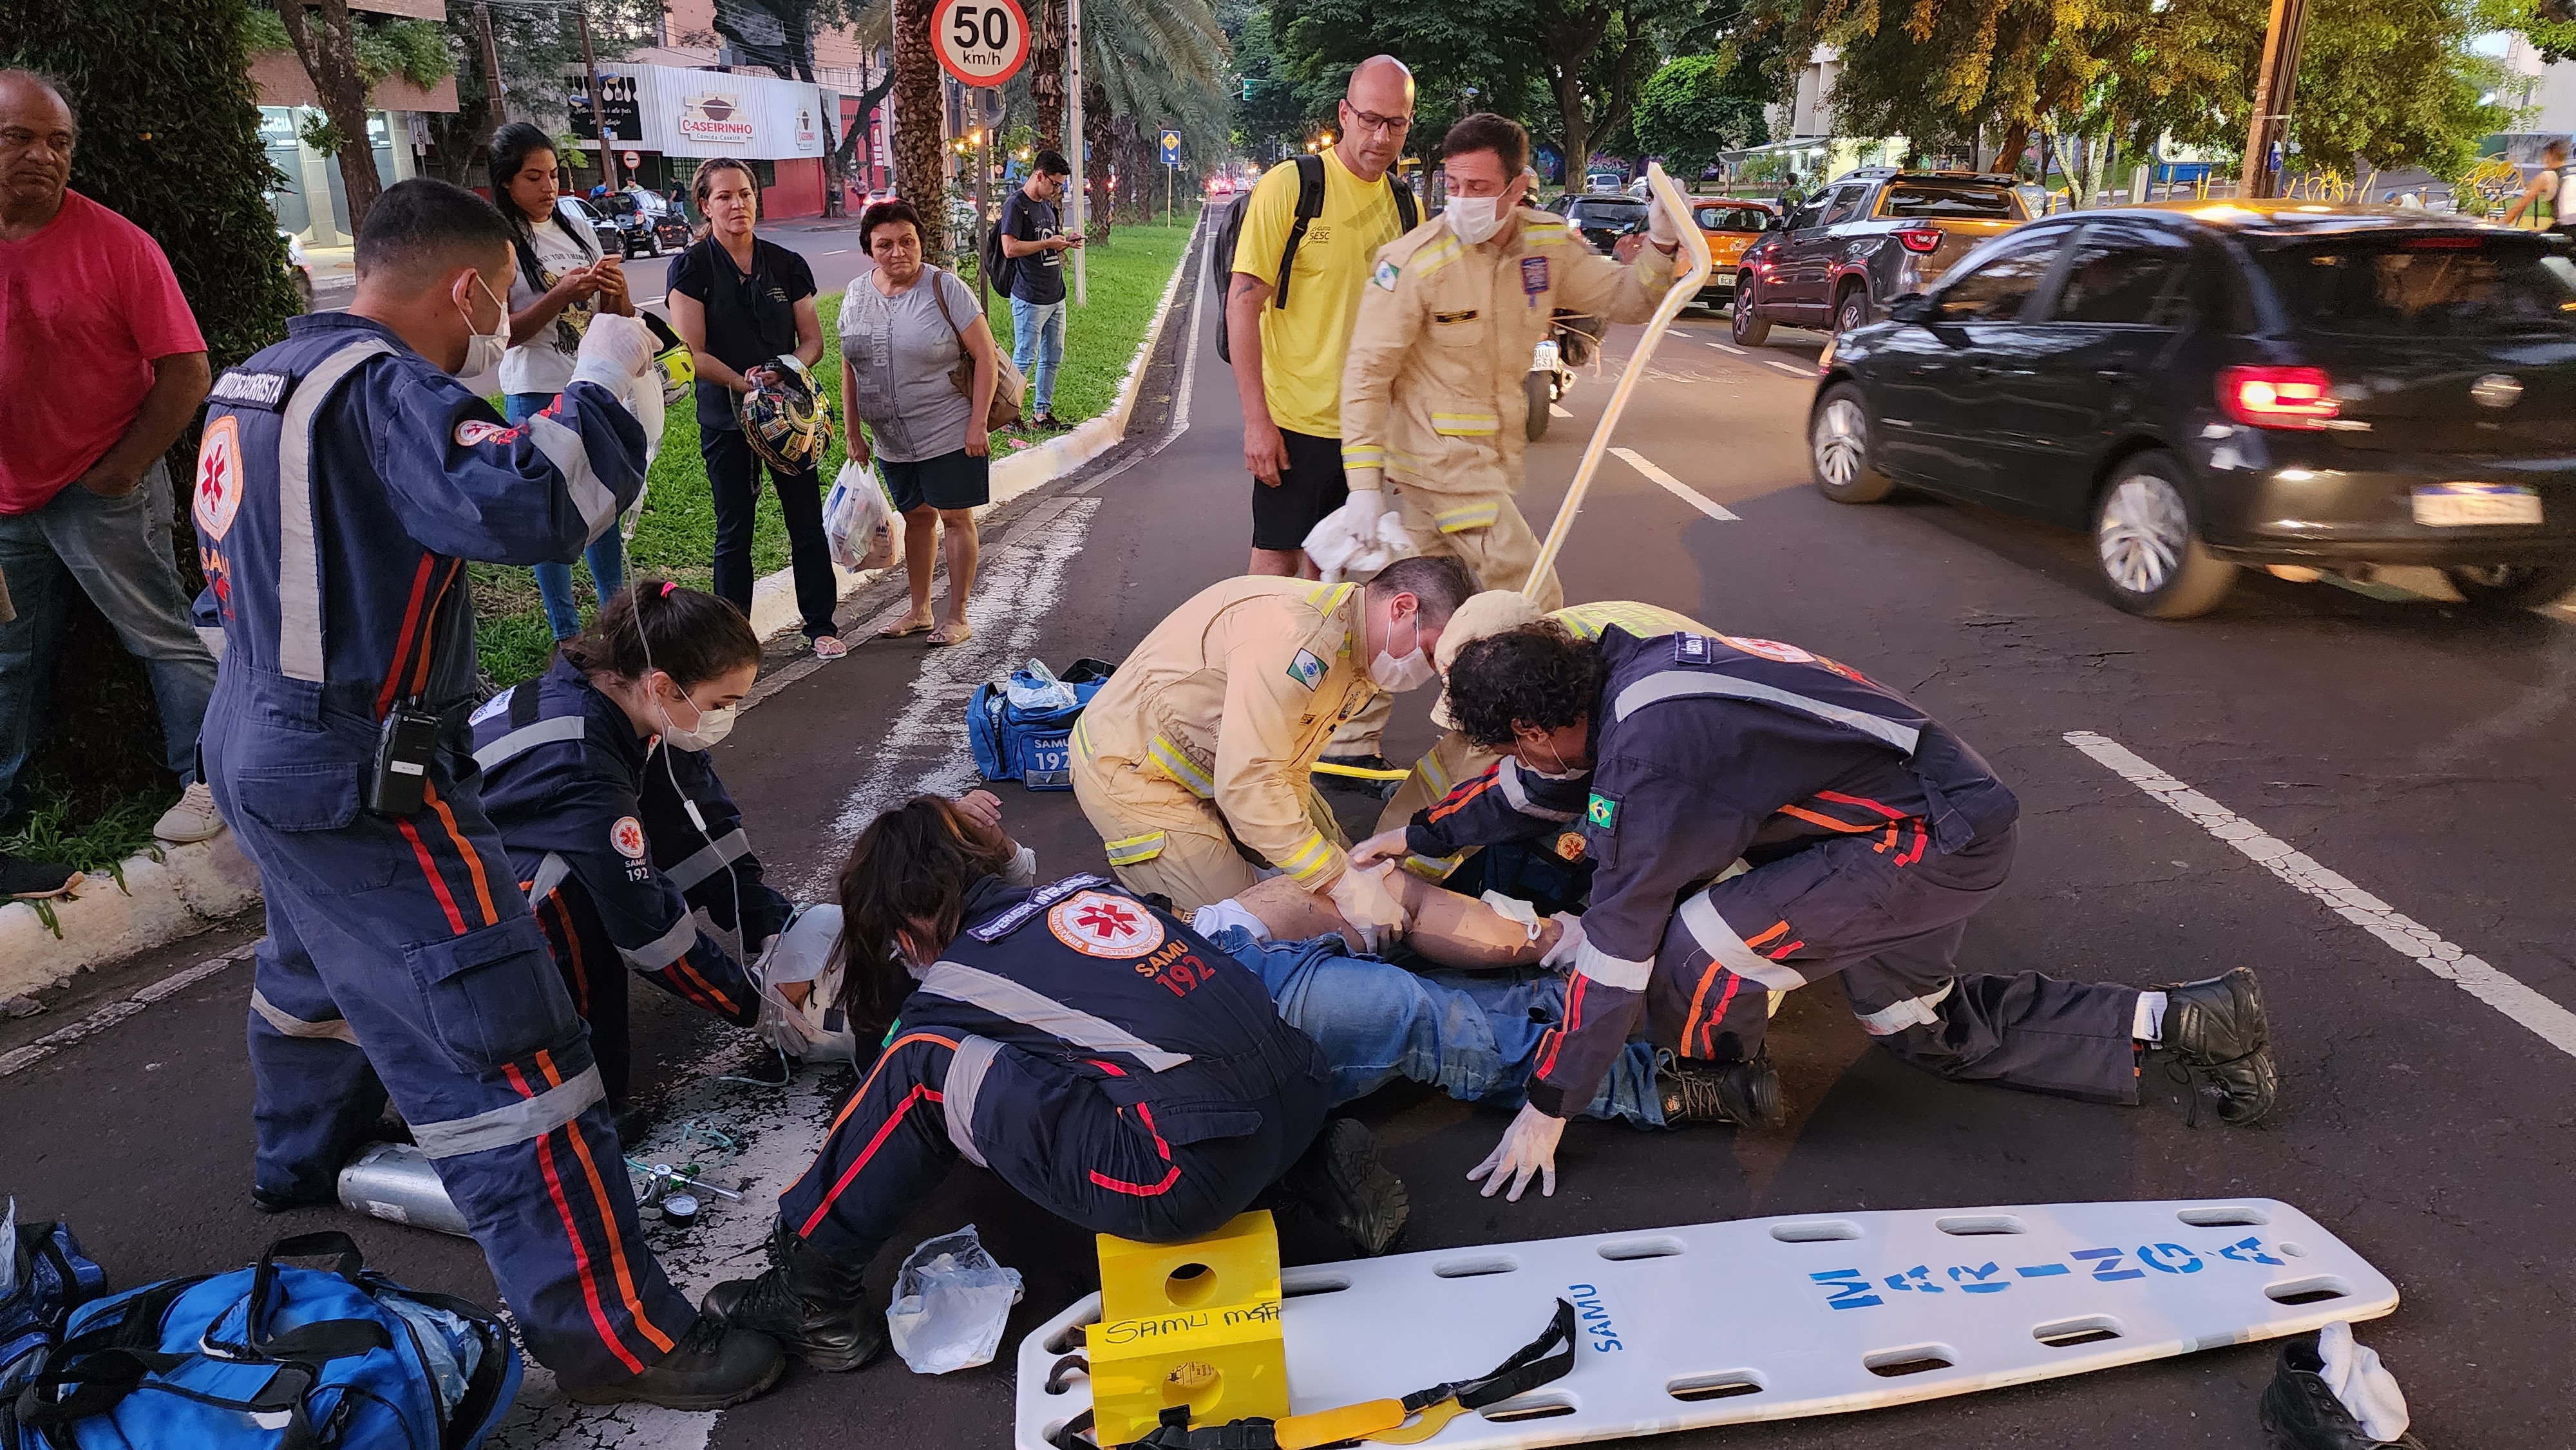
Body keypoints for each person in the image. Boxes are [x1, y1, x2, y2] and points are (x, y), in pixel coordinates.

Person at [193, 176, 781, 1407]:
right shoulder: (379, 391)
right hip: (364, 767)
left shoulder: (258, 381)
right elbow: (542, 503)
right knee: (509, 1044)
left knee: (307, 971)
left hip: (251, 730)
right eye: (500, 304)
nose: (498, 328)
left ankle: (295, 1156)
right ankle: (619, 1334)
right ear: (468, 287)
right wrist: (617, 364)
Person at [1358, 622, 2283, 1202]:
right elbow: (1539, 788)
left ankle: (1718, 1079)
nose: (1535, 764)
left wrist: (1550, 1106)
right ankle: (2188, 1020)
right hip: (1924, 810)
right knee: (1924, 1028)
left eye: (1526, 748)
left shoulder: (1652, 758)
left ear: (1536, 724)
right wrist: (1418, 837)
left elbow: (1617, 950)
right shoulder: (1618, 673)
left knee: (1702, 944)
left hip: (1926, 838)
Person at [699, 796, 1408, 1371]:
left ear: (908, 919)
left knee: (921, 1066)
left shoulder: (957, 975)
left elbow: (888, 1072)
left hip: (1185, 1175)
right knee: (1133, 1064)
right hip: (1303, 1092)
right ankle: (1306, 1171)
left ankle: (811, 1291)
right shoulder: (1085, 892)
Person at [0, 70, 222, 878]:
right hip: (6, 497)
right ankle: (6, 813)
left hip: (103, 490)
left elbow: (188, 370)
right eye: (18, 137)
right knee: (7, 654)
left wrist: (121, 471)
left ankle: (208, 786)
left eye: (57, 141)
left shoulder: (116, 243)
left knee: (162, 636)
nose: (42, 155)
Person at [1331, 113, 1684, 614]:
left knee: (1423, 616)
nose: (1462, 200)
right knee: (1531, 596)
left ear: (1516, 188)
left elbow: (1627, 301)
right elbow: (1367, 374)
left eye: (1479, 186)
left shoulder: (1546, 246)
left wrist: (1662, 243)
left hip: (1487, 462)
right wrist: (1362, 487)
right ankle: (1532, 691)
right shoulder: (1414, 262)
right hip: (1443, 464)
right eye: (1453, 185)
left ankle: (1401, 688)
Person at [470, 581, 775, 1104]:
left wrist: (767, 918)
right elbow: (645, 928)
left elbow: (690, 816)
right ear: (662, 686)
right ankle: (586, 1101)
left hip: (486, 848)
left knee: (616, 850)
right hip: (463, 905)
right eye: (720, 703)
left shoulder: (611, 698)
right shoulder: (583, 765)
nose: (724, 718)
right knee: (574, 896)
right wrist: (761, 1009)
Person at [1068, 556, 1475, 926]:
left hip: (1222, 766)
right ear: (1403, 608)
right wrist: (1333, 881)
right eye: (1426, 652)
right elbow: (1250, 782)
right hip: (1136, 772)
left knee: (1347, 870)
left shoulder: (1353, 649)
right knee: (1243, 930)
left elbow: (1289, 764)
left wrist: (1320, 870)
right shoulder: (1295, 639)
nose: (1422, 672)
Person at [1230, 55, 1419, 584]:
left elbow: (1411, 325)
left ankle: (1315, 666)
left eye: (1395, 124)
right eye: (1369, 119)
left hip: (1366, 431)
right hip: (1295, 422)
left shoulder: (1407, 208)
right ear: (1344, 113)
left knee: (1336, 566)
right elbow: (1243, 303)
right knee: (1276, 562)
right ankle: (1263, 664)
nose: (1380, 137)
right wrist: (1256, 421)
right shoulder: (1292, 187)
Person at [1374, 592, 1710, 859]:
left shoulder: (1636, 746)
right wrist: (1416, 835)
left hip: (1705, 765)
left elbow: (1635, 872)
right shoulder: (1568, 653)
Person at [668, 158, 842, 658]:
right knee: (734, 531)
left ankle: (821, 626)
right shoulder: (693, 267)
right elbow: (690, 353)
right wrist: (743, 385)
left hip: (790, 417)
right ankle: (732, 645)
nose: (737, 204)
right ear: (705, 205)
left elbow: (813, 342)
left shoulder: (786, 263)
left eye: (744, 194)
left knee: (806, 522)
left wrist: (784, 369)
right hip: (727, 418)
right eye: (724, 197)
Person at [488, 122, 632, 645]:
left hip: (590, 388)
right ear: (507, 182)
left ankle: (617, 622)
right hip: (535, 390)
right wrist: (559, 295)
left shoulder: (573, 225)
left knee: (602, 505)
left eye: (553, 175)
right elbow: (501, 334)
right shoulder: (499, 239)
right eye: (534, 177)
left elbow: (617, 317)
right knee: (552, 514)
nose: (549, 188)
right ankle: (567, 636)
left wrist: (615, 290)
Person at [838, 198, 998, 647]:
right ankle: (919, 610)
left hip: (947, 428)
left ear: (920, 243)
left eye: (907, 241)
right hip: (890, 438)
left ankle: (959, 614)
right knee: (917, 518)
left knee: (953, 516)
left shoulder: (946, 289)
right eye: (885, 244)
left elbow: (985, 356)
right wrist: (854, 432)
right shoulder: (855, 295)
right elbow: (850, 365)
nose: (898, 252)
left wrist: (977, 424)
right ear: (869, 249)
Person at [998, 150, 1080, 429]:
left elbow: (1048, 241)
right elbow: (1010, 249)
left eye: (1061, 186)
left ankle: (1041, 414)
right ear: (1039, 175)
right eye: (1055, 184)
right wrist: (1047, 245)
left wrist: (1066, 242)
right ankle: (1009, 416)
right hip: (1029, 296)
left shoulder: (1047, 206)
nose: (1058, 190)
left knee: (1052, 356)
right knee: (1024, 356)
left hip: (1055, 294)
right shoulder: (1016, 205)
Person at [2504, 140, 2566, 229]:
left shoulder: (2548, 176)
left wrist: (2501, 223)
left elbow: (2521, 205)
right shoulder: (2572, 173)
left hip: (2567, 228)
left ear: (2549, 155)